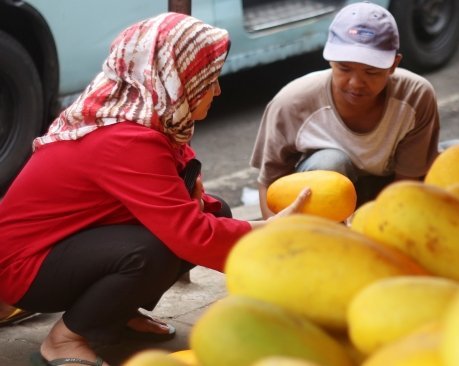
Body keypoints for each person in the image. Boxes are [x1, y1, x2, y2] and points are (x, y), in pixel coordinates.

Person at [0, 12, 309, 366]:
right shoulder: (125, 138)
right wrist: (270, 234)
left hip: (68, 245)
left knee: (216, 212)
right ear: (176, 79)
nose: (218, 90)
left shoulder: (149, 118)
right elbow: (189, 236)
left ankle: (114, 315)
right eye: (209, 80)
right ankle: (65, 338)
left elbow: (190, 210)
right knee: (151, 250)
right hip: (24, 267)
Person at [250, 1, 440, 219]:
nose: (355, 83)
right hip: (323, 205)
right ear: (330, 59)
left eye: (371, 71)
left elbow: (405, 185)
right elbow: (270, 185)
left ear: (394, 65)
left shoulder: (416, 96)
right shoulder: (291, 103)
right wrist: (275, 232)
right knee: (330, 162)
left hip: (384, 194)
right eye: (344, 68)